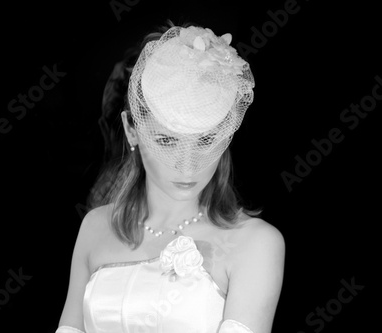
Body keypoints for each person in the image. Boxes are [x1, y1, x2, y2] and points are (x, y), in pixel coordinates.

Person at [56, 22, 285, 333]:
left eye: (205, 141)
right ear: (131, 131)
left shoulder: (256, 243)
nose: (188, 166)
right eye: (166, 141)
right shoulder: (95, 227)